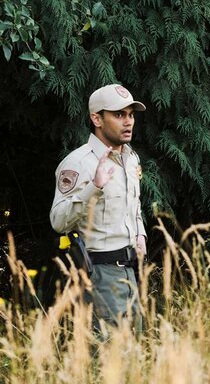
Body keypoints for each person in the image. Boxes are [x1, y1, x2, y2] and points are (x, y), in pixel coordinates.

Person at [50, 84, 148, 333]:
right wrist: (94, 186)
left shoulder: (130, 158)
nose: (128, 122)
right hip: (99, 274)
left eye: (131, 114)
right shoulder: (78, 162)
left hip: (129, 273)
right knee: (107, 363)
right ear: (97, 118)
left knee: (134, 357)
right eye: (118, 115)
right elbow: (58, 221)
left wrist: (140, 234)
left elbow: (134, 206)